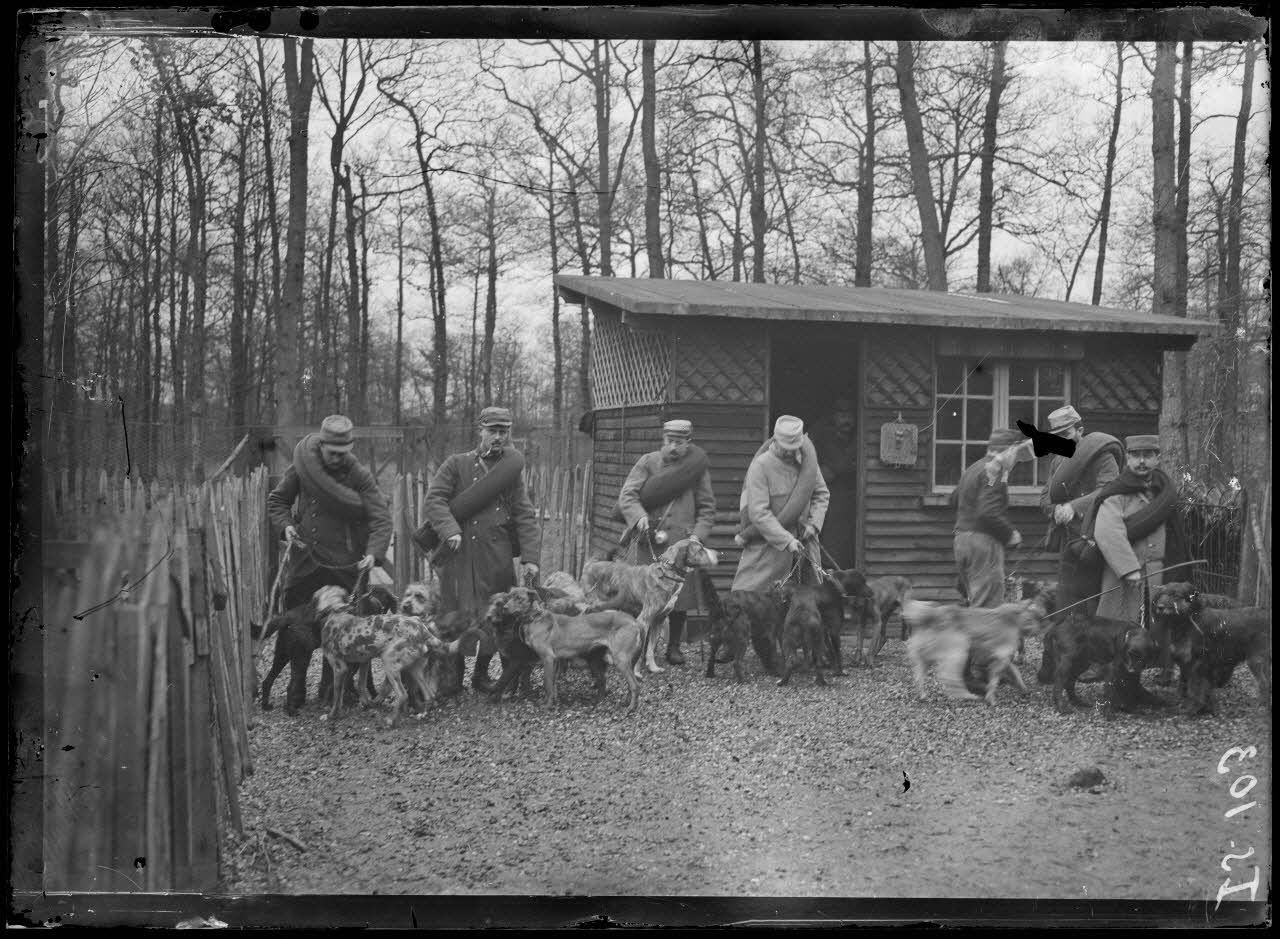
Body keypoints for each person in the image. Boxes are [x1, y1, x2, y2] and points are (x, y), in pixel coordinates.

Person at [266, 414, 393, 701]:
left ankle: (333, 690)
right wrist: (286, 526)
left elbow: (381, 518)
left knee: (342, 628)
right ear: (321, 446)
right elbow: (277, 501)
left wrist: (374, 554)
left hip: (342, 566)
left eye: (343, 453)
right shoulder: (301, 468)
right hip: (305, 562)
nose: (337, 458)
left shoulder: (358, 475)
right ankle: (295, 689)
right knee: (297, 628)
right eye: (332, 453)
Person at [421, 406, 541, 692]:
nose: (498, 437)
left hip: (495, 554)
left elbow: (524, 514)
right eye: (493, 431)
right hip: (458, 556)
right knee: (455, 616)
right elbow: (434, 500)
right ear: (480, 431)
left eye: (503, 432)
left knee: (494, 617)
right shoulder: (456, 464)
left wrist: (530, 558)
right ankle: (452, 677)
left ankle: (481, 675)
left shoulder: (510, 472)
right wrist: (449, 530)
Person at [616, 418, 717, 665]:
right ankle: (635, 646)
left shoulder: (696, 470)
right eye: (669, 441)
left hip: (681, 544)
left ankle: (673, 647)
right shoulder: (648, 462)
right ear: (663, 439)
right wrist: (639, 517)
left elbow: (707, 508)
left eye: (679, 442)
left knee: (679, 599)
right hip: (650, 540)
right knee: (641, 595)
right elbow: (627, 495)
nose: (673, 447)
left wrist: (697, 536)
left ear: (688, 443)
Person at [1084, 435, 1182, 624]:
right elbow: (1108, 533)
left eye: (1148, 455)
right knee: (1118, 632)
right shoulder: (1115, 493)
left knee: (1156, 630)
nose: (1142, 461)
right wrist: (1128, 569)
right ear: (1128, 459)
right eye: (1136, 456)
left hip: (1157, 575)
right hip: (1121, 576)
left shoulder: (1164, 492)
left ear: (1157, 458)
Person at [731, 415, 830, 594]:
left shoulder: (807, 463)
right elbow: (759, 513)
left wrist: (814, 524)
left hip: (806, 548)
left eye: (794, 448)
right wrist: (786, 540)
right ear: (775, 440)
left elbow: (821, 494)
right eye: (785, 448)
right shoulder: (761, 466)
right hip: (769, 550)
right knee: (754, 601)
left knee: (809, 606)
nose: (789, 453)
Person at [1038, 404, 1122, 609]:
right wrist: (1055, 510)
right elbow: (1045, 496)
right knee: (1067, 596)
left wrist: (1073, 507)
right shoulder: (1058, 460)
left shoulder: (1101, 455)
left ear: (1080, 431)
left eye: (1066, 434)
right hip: (1068, 540)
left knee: (1092, 597)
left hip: (1095, 538)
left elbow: (1110, 489)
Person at [950, 428, 1027, 607]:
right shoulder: (994, 472)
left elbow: (954, 499)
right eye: (1015, 453)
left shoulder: (974, 468)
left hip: (961, 541)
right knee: (987, 607)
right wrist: (1010, 534)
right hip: (983, 546)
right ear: (1008, 451)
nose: (1016, 460)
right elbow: (988, 513)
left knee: (973, 602)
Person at [810, 398, 859, 570]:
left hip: (851, 495)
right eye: (842, 415)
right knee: (830, 540)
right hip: (827, 496)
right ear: (833, 416)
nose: (846, 420)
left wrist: (837, 468)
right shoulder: (821, 435)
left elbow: (844, 464)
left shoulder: (857, 438)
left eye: (849, 415)